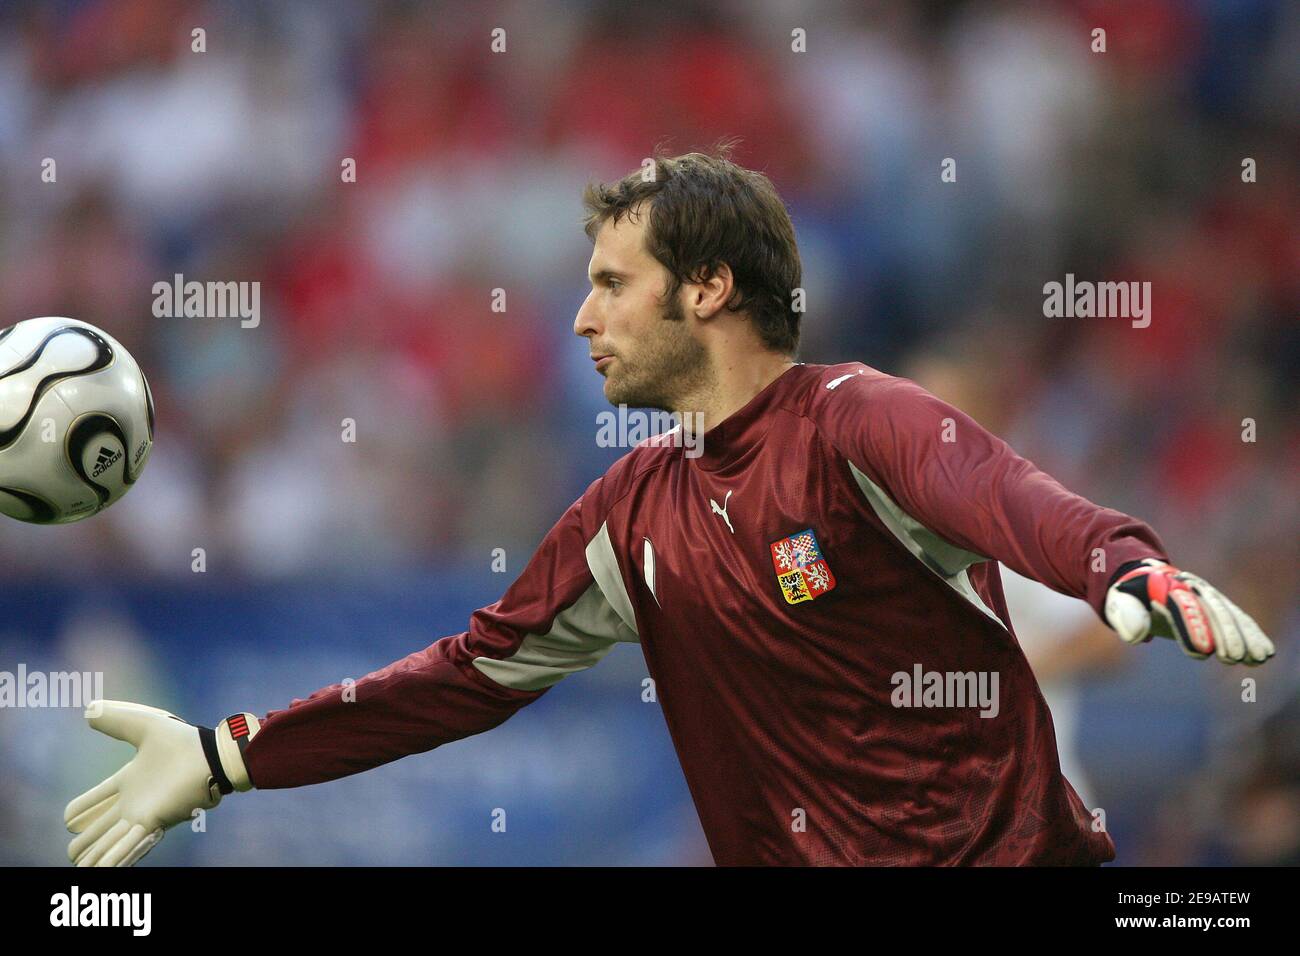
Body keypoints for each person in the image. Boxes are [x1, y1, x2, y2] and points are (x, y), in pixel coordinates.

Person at [65, 149, 1274, 867]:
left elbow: (1012, 499)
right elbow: (463, 676)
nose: (580, 319)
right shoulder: (626, 514)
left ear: (707, 286)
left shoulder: (856, 418)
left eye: (608, 284)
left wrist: (1125, 568)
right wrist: (230, 753)